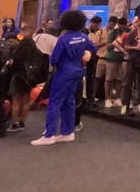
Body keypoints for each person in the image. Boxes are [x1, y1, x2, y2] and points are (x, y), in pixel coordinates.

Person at [31, 10, 95, 146]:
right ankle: (68, 132)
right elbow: (92, 50)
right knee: (69, 100)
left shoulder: (64, 39)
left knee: (54, 102)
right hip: (78, 71)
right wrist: (85, 55)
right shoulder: (84, 37)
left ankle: (49, 134)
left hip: (63, 72)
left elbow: (54, 59)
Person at [8, 27, 48, 131]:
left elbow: (13, 67)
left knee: (16, 101)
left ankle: (14, 124)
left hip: (18, 78)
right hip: (30, 80)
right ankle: (22, 122)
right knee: (26, 101)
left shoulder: (18, 53)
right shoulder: (37, 54)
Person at [98, 16, 126, 108]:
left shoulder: (127, 32)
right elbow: (108, 46)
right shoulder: (114, 32)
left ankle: (117, 98)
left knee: (119, 79)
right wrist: (116, 43)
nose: (122, 26)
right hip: (111, 58)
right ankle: (107, 99)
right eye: (120, 24)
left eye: (124, 25)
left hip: (122, 59)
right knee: (109, 79)